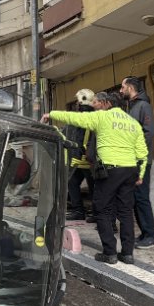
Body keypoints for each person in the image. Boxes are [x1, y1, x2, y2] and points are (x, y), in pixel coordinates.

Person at [41, 92, 148, 265]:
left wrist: (51, 114)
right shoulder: (133, 123)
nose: (95, 105)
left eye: (97, 102)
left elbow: (75, 118)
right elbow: (142, 152)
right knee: (126, 212)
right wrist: (141, 174)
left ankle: (110, 253)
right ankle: (127, 254)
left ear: (106, 104)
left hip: (109, 171)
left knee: (103, 210)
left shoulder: (102, 117)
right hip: (130, 170)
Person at [119, 76, 154, 248]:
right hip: (132, 160)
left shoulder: (144, 106)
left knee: (141, 198)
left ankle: (151, 236)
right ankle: (145, 234)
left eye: (122, 87)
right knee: (136, 197)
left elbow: (148, 133)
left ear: (130, 87)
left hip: (141, 160)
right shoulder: (132, 107)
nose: (120, 91)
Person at [64, 89, 97, 221]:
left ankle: (80, 211)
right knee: (93, 187)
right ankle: (94, 213)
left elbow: (76, 137)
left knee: (73, 182)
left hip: (82, 159)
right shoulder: (95, 116)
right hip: (90, 158)